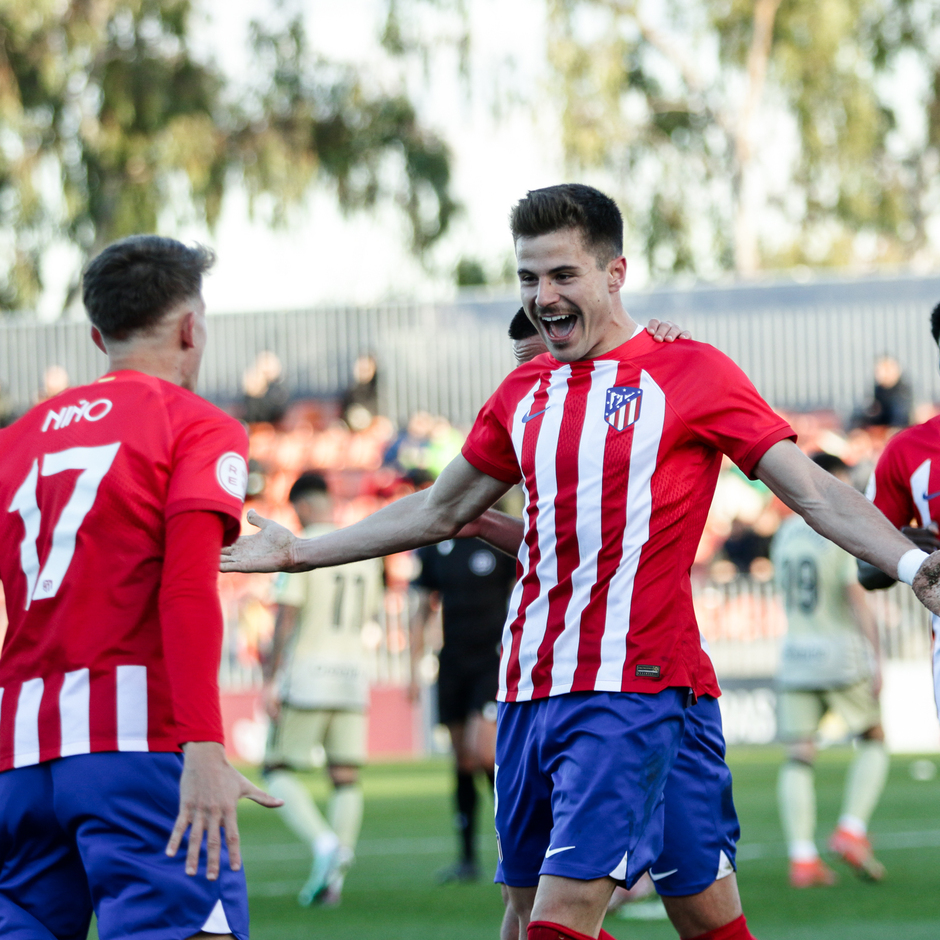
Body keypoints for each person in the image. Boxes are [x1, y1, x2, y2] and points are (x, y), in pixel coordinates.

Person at [221, 184, 940, 940]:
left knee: (559, 921)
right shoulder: (523, 391)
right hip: (532, 687)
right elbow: (441, 507)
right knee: (628, 910)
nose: (543, 296)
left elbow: (816, 492)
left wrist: (904, 562)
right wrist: (298, 551)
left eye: (562, 275)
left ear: (615, 273)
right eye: (529, 278)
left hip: (630, 690)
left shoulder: (690, 373)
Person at [0, 235, 281, 940]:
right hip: (135, 747)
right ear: (192, 327)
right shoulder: (197, 427)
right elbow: (187, 592)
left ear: (98, 334)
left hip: (21, 757)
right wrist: (206, 749)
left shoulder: (16, 441)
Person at [262, 471, 385, 907]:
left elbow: (286, 616)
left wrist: (269, 678)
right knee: (345, 776)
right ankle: (335, 877)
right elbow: (372, 614)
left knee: (276, 769)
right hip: (353, 673)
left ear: (306, 506)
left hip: (310, 672)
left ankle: (324, 843)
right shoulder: (366, 550)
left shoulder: (301, 544)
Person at [772, 453, 887, 888]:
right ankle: (851, 829)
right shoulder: (835, 529)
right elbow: (855, 598)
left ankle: (802, 859)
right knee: (873, 737)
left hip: (795, 655)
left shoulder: (784, 534)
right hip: (839, 654)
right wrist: (878, 657)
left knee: (799, 756)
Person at [410, 532, 517, 883]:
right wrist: (414, 669)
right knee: (462, 760)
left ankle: (516, 844)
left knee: (484, 752)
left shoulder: (500, 542)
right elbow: (423, 606)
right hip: (453, 663)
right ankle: (468, 859)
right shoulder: (437, 546)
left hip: (492, 662)